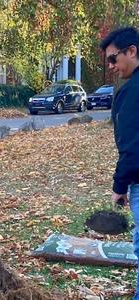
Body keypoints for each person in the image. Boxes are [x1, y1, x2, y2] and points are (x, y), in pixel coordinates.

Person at [100, 27, 139, 299]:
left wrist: (119, 187)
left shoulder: (132, 92)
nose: (111, 66)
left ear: (132, 51)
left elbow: (133, 148)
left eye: (114, 58)